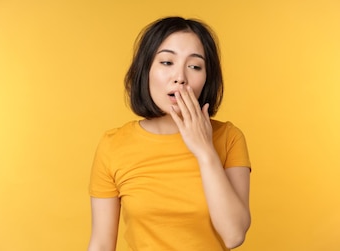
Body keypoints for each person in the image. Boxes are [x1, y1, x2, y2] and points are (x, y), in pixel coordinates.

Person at [87, 16, 251, 251]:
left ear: (206, 79)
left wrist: (205, 151)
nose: (180, 77)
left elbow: (234, 235)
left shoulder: (228, 138)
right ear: (146, 71)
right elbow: (101, 244)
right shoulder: (113, 145)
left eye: (194, 66)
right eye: (166, 62)